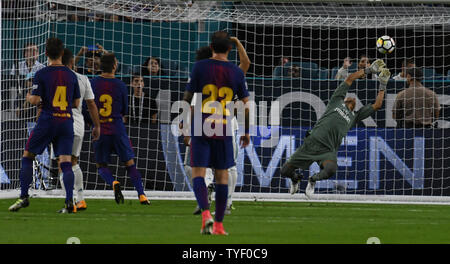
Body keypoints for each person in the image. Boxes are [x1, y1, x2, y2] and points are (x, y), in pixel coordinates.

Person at [280, 59, 390, 199]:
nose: (352, 99)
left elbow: (377, 105)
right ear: (345, 100)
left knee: (331, 169)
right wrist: (368, 70)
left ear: (355, 106)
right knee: (285, 170)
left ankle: (312, 180)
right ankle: (295, 178)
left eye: (354, 101)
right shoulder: (336, 100)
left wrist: (383, 84)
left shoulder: (354, 116)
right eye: (349, 98)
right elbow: (350, 78)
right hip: (311, 143)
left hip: (327, 150)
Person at [182, 31, 250, 235]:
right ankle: (219, 225)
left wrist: (183, 121)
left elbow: (187, 97)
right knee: (222, 176)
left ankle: (205, 216)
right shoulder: (236, 73)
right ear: (229, 49)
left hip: (201, 124)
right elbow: (247, 106)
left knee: (198, 173)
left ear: (211, 47)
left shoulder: (200, 67)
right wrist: (246, 131)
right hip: (224, 126)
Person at [9, 38, 81, 213]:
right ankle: (69, 201)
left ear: (46, 53)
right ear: (62, 54)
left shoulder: (42, 73)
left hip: (48, 120)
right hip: (65, 121)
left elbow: (34, 100)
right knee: (65, 162)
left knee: (28, 156)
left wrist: (28, 96)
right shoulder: (71, 74)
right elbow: (76, 103)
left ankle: (24, 196)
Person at [90, 53, 150, 205]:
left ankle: (113, 183)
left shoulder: (93, 83)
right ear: (114, 66)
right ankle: (142, 195)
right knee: (130, 164)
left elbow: (88, 107)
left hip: (100, 128)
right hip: (117, 128)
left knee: (101, 165)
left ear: (99, 66)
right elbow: (124, 109)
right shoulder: (121, 85)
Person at [57, 48, 101, 211]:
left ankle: (69, 202)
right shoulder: (83, 78)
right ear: (73, 62)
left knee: (63, 163)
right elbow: (91, 104)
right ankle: (80, 199)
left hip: (60, 121)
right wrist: (97, 125)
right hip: (78, 123)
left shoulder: (57, 78)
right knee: (74, 161)